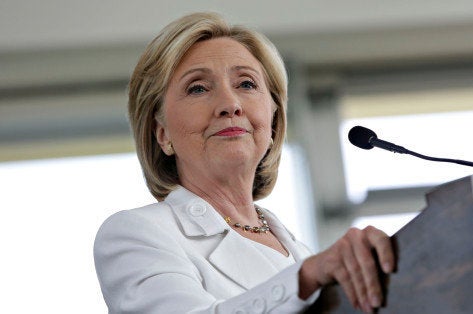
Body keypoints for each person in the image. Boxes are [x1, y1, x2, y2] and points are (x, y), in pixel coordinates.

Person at [94, 12, 395, 314]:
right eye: (198, 88)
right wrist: (304, 278)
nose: (230, 105)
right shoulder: (136, 232)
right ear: (162, 134)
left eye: (247, 84)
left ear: (274, 121)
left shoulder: (301, 252)